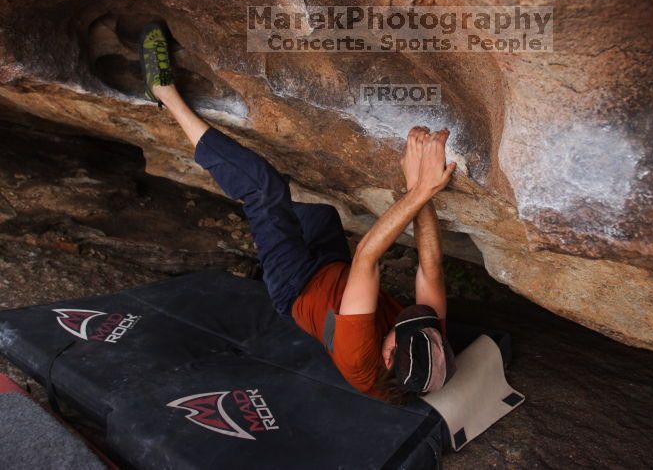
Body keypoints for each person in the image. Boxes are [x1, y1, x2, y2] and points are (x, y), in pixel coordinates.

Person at [139, 23, 456, 403]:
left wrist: (419, 189)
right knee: (319, 214)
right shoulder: (424, 344)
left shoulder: (361, 357)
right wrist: (423, 191)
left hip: (295, 284)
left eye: (403, 325)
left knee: (263, 188)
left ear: (389, 355)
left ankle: (163, 93)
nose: (413, 316)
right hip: (330, 262)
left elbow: (368, 258)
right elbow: (431, 264)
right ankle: (261, 205)